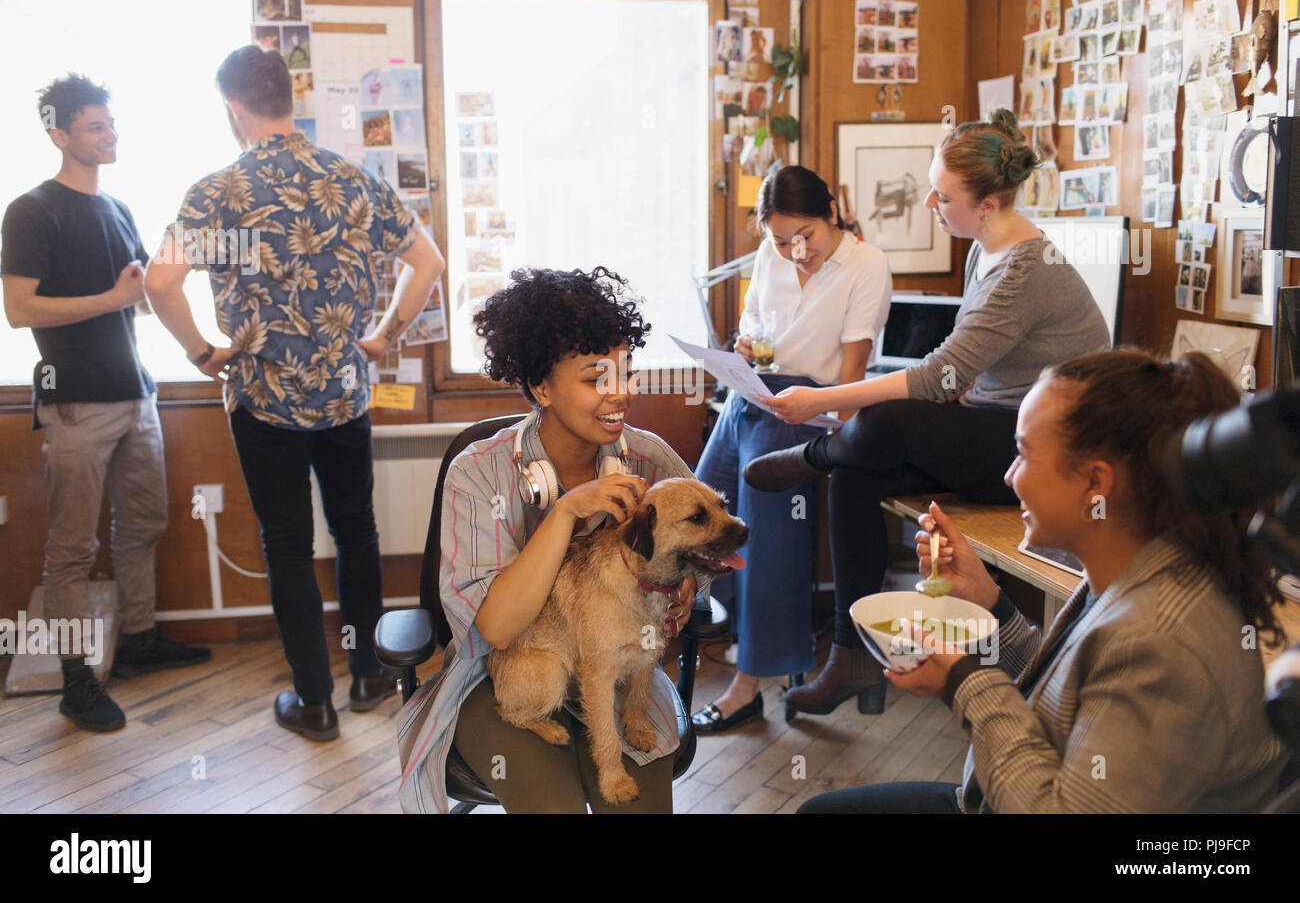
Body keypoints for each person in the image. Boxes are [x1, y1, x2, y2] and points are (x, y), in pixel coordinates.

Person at [799, 349, 1290, 812]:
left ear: (1096, 483)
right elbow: (1073, 697)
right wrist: (990, 603)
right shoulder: (1137, 568)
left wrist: (964, 681)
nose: (1010, 475)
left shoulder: (1161, 643)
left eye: (1023, 453)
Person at [745, 109, 1112, 718]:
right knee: (858, 472)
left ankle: (810, 455)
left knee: (891, 418)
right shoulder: (982, 251)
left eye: (943, 198)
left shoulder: (1025, 269)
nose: (930, 207)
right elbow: (962, 379)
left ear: (988, 204)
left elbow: (936, 375)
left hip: (1049, 454)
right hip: (1002, 431)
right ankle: (852, 654)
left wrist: (818, 404)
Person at [144, 45, 445, 741]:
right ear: (290, 99)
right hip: (345, 394)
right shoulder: (352, 179)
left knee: (287, 545)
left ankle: (315, 703)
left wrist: (199, 352)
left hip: (261, 399)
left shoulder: (216, 192)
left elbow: (159, 282)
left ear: (234, 108)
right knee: (357, 529)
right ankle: (371, 673)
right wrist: (386, 336)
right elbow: (426, 263)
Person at [396, 267, 699, 813]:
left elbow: (700, 551)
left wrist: (684, 589)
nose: (621, 393)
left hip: (619, 674)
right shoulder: (478, 473)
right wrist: (563, 514)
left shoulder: (651, 461)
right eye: (594, 378)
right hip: (499, 680)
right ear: (541, 387)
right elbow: (498, 629)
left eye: (625, 372)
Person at [0, 74, 210, 733]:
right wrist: (114, 300)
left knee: (142, 525)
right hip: (75, 403)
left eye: (111, 125)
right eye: (95, 127)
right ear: (60, 135)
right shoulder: (32, 210)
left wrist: (173, 283)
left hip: (135, 393)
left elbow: (141, 292)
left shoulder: (118, 209)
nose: (109, 135)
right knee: (71, 549)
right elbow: (19, 308)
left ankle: (140, 640)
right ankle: (74, 680)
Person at [691, 166, 891, 732]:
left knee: (763, 533)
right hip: (754, 397)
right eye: (781, 240)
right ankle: (752, 640)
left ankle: (748, 683)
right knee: (699, 510)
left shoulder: (866, 265)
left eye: (804, 234)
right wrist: (745, 351)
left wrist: (826, 422)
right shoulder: (770, 255)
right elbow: (750, 331)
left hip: (814, 407)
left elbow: (853, 375)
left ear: (831, 211)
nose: (794, 250)